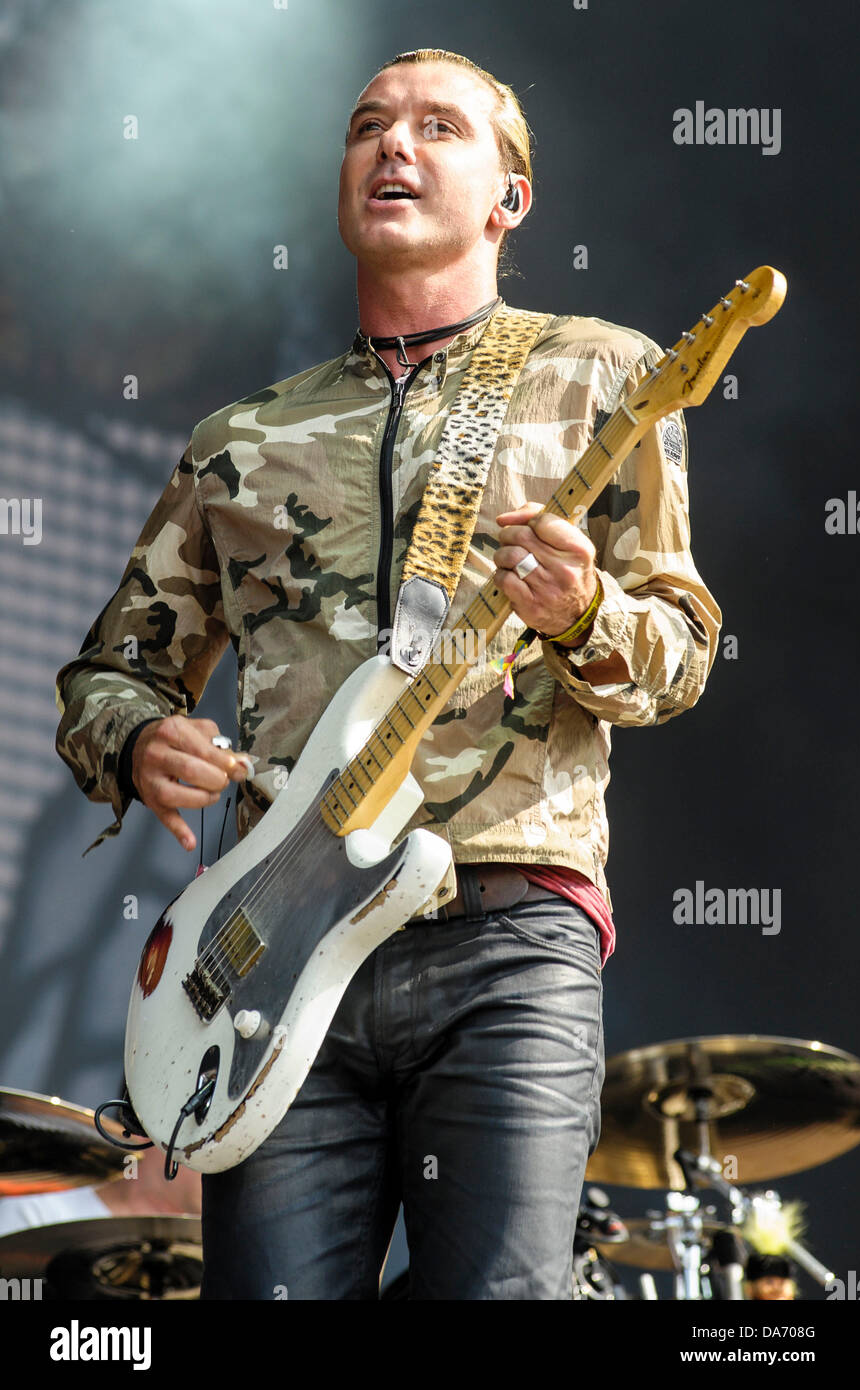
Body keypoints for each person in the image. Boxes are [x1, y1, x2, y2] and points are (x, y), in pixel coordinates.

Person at [55, 48, 721, 1299]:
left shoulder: (602, 373)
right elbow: (109, 672)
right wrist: (140, 739)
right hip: (269, 955)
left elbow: (678, 655)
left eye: (437, 127)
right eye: (368, 126)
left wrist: (583, 612)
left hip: (506, 932)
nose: (393, 145)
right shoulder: (240, 441)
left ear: (509, 197)